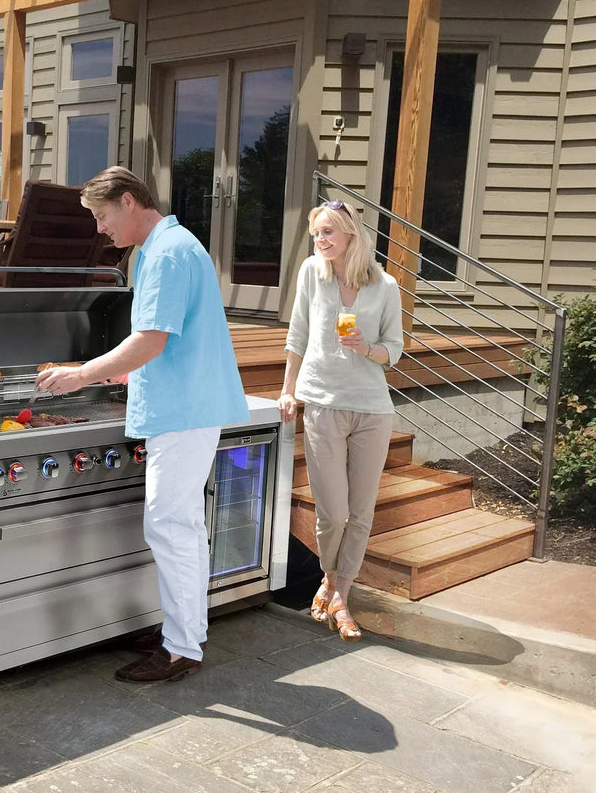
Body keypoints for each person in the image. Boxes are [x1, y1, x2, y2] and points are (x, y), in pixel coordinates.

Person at [36, 166, 249, 682]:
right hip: (184, 403)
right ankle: (184, 632)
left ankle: (179, 650)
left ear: (130, 202)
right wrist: (128, 374)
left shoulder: (169, 253)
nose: (100, 229)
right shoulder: (160, 249)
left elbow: (152, 338)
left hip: (184, 410)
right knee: (183, 528)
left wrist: (81, 375)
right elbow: (169, 340)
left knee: (170, 527)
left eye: (103, 217)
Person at [277, 198, 403, 641]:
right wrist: (287, 389)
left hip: (373, 408)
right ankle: (330, 579)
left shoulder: (385, 286)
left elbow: (395, 350)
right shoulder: (312, 272)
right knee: (333, 512)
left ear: (351, 233)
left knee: (361, 512)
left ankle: (341, 596)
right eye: (317, 234)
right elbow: (297, 334)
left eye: (328, 231)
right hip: (324, 403)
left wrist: (366, 348)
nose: (321, 240)